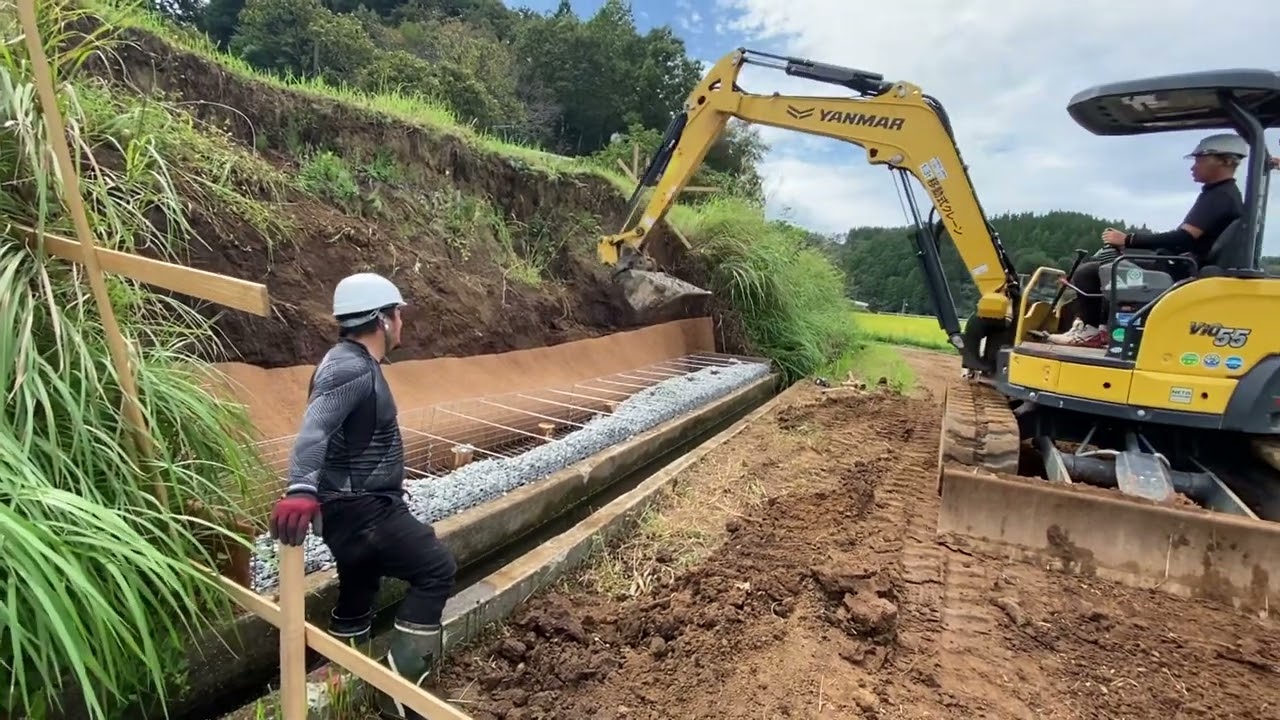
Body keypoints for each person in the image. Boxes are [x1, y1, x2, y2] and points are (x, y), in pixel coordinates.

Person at [268, 272, 457, 719]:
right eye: (398, 315)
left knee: (360, 584)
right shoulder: (349, 366)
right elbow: (314, 429)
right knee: (436, 567)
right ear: (382, 320)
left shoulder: (355, 364)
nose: (402, 323)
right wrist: (300, 488)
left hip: (358, 509)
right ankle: (400, 694)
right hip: (363, 510)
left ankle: (336, 681)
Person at [1048, 133, 1249, 347]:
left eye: (1200, 160)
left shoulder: (1220, 197)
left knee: (1089, 272)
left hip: (1182, 269)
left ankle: (1091, 331)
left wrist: (1129, 239)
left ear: (1225, 161)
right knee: (1110, 265)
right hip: (1185, 263)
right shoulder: (1221, 194)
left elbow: (1183, 238)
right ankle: (1103, 329)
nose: (1193, 167)